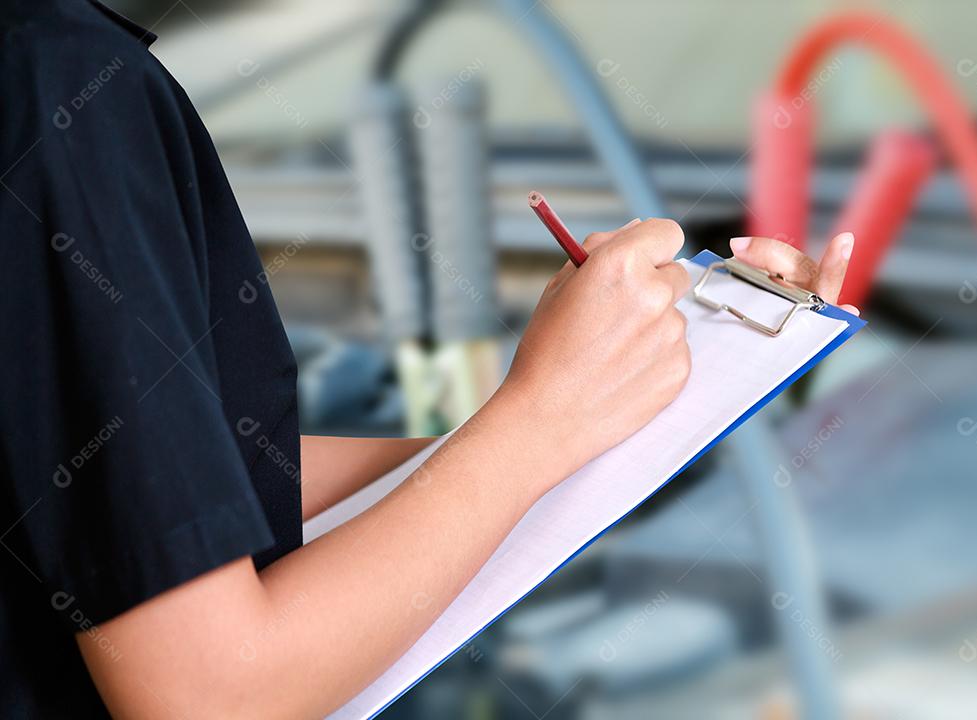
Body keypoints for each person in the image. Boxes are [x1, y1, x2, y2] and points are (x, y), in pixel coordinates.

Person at [0, 1, 856, 717]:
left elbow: (176, 502)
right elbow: (211, 696)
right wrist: (543, 418)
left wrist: (609, 405)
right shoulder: (61, 83)